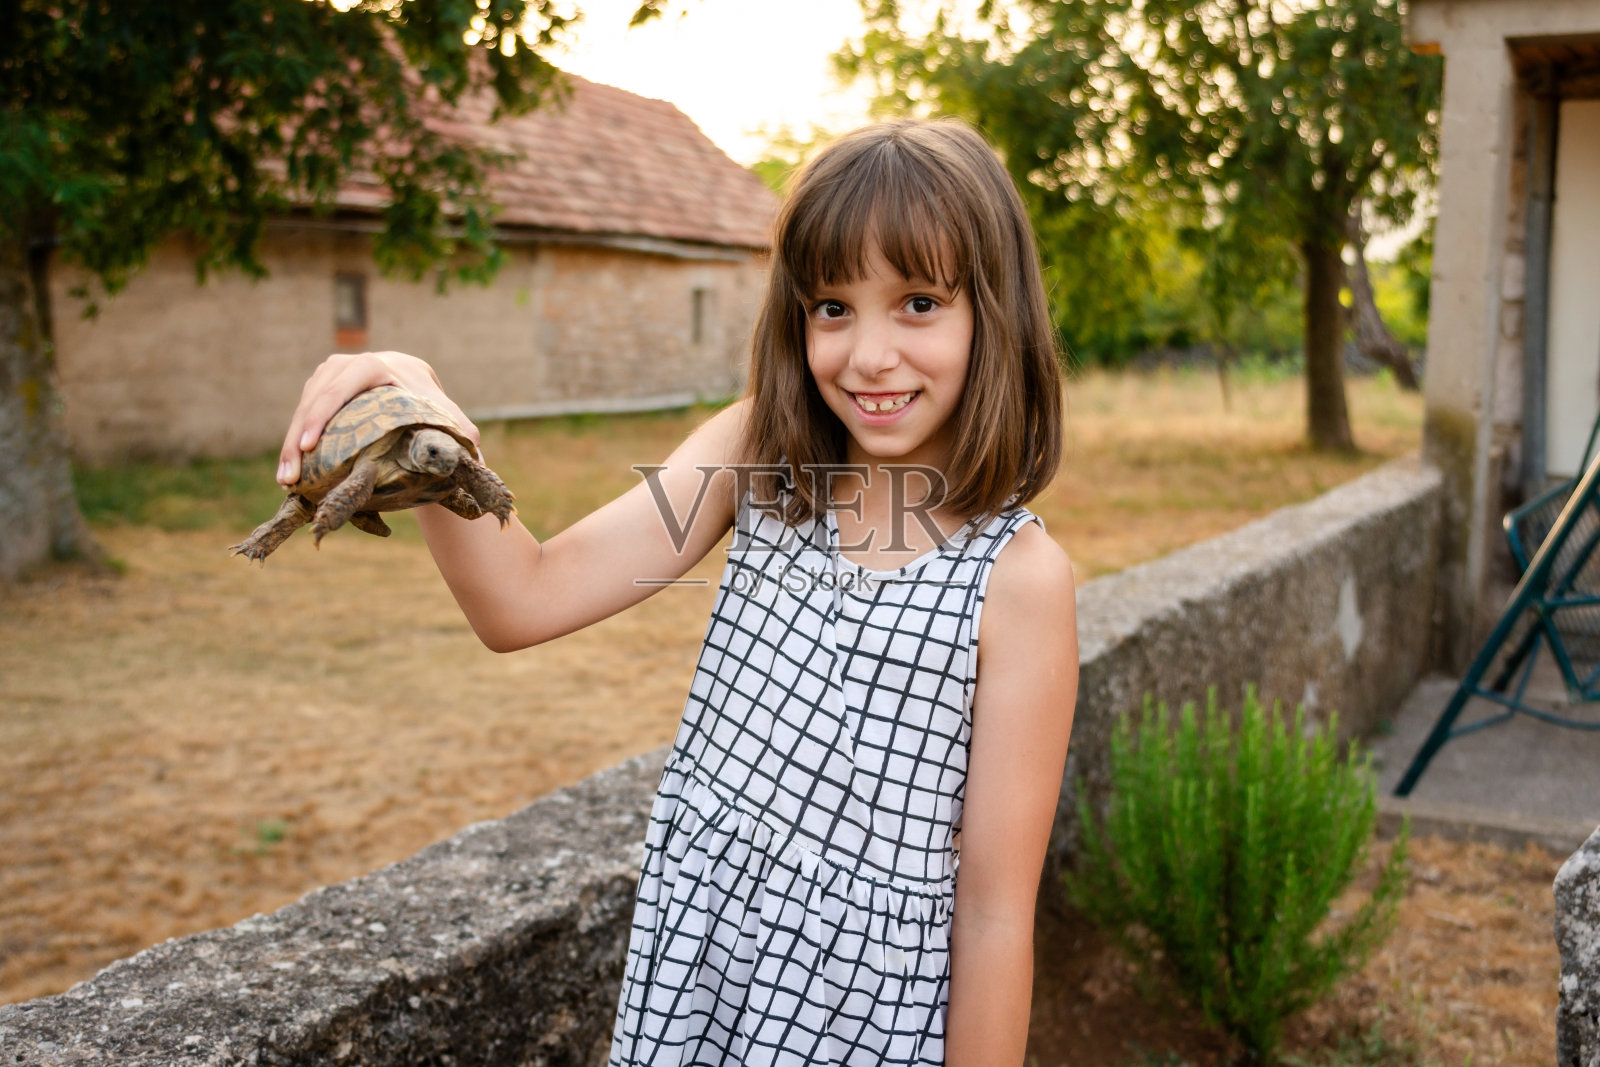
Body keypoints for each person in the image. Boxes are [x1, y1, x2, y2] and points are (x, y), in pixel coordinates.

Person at [276, 119, 1079, 1067]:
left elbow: (991, 916)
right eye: (832, 306)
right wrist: (417, 404)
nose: (868, 355)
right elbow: (521, 599)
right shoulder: (759, 458)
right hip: (698, 997)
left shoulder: (1017, 580)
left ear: (996, 312)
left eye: (917, 303)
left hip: (864, 1031)